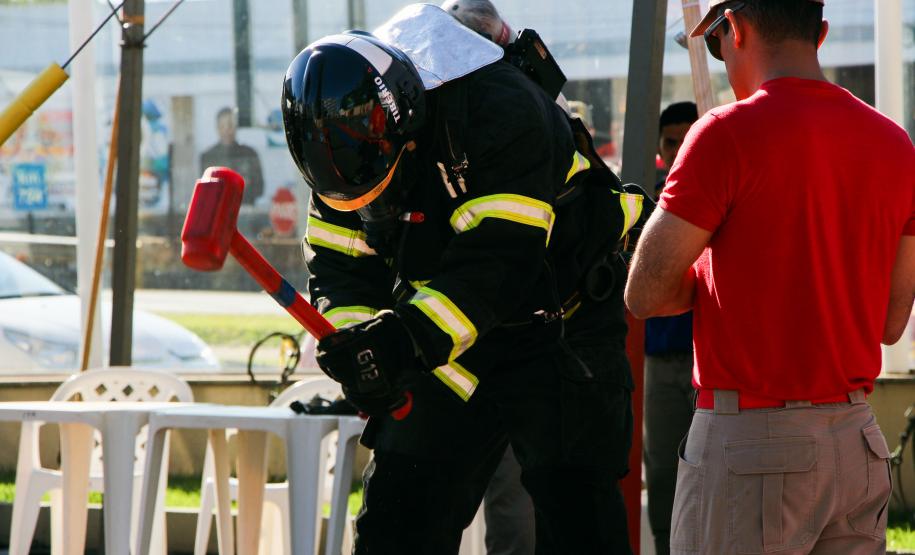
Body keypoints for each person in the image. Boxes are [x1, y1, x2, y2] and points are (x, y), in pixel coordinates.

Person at [281, 4, 637, 553]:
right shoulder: (337, 144)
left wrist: (401, 341)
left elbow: (498, 265)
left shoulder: (501, 110)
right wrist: (359, 345)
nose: (368, 202)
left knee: (576, 520)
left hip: (559, 323)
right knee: (397, 523)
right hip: (444, 335)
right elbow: (339, 263)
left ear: (407, 127)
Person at [625, 0, 915, 553]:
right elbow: (890, 322)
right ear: (820, 33)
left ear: (735, 28)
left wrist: (715, 273)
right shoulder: (896, 145)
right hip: (856, 440)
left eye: (716, 44)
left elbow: (644, 292)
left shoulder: (724, 134)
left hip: (751, 443)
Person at [642, 100, 698, 555]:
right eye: (670, 141)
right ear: (659, 148)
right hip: (657, 362)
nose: (678, 149)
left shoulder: (719, 193)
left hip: (708, 361)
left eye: (686, 139)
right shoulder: (646, 204)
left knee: (709, 470)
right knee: (662, 471)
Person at [199, 106, 264, 205]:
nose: (227, 130)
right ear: (217, 128)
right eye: (222, 126)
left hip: (244, 208)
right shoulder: (207, 157)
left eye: (230, 125)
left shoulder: (250, 153)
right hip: (218, 210)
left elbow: (260, 188)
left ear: (236, 127)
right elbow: (206, 191)